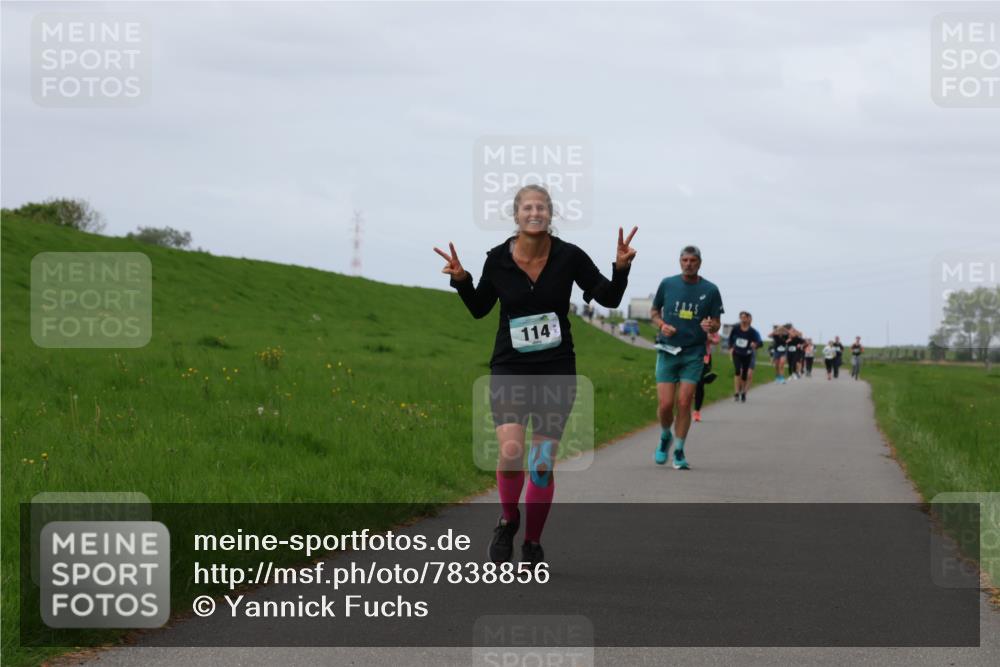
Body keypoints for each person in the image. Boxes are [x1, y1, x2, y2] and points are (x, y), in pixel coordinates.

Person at [435, 184, 637, 569]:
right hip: (510, 366)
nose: (535, 212)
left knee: (541, 462)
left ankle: (531, 542)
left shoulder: (569, 257)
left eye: (541, 207)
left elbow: (608, 298)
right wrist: (461, 279)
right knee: (511, 451)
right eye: (527, 207)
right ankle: (508, 519)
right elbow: (479, 308)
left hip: (556, 369)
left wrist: (621, 268)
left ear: (550, 214)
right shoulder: (497, 260)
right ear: (517, 215)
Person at [649, 245, 723, 469]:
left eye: (692, 260)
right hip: (668, 350)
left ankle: (679, 450)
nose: (688, 264)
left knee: (683, 403)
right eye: (685, 260)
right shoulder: (668, 284)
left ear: (699, 263)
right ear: (679, 261)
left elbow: (717, 322)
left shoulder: (710, 290)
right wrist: (662, 325)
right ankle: (665, 437)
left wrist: (711, 325)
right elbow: (654, 312)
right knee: (665, 405)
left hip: (693, 352)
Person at [728, 311, 762, 402]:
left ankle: (743, 392)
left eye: (744, 317)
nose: (743, 319)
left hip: (747, 354)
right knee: (737, 370)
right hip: (737, 353)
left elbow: (760, 342)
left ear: (748, 319)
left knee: (745, 374)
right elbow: (730, 339)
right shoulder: (735, 328)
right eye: (741, 317)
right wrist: (731, 348)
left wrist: (755, 344)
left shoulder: (752, 331)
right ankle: (736, 392)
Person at [693, 331, 720, 422]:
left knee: (700, 383)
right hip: (690, 354)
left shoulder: (710, 323)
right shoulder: (692, 320)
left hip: (705, 356)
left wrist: (710, 339)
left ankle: (697, 411)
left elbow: (717, 340)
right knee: (692, 382)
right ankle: (705, 380)